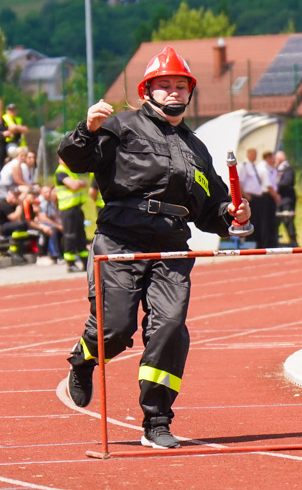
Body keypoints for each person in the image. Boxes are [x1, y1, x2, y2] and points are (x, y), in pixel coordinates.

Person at [58, 46, 250, 450]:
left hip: (171, 247)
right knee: (115, 329)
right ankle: (84, 357)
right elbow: (75, 159)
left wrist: (233, 214)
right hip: (120, 239)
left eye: (181, 86)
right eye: (165, 86)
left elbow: (210, 210)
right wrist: (88, 130)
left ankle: (157, 421)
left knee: (170, 330)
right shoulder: (121, 126)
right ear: (148, 90)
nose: (174, 93)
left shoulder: (196, 148)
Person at [54, 156, 88, 272]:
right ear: (59, 160)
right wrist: (78, 183)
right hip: (68, 209)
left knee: (81, 236)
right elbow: (74, 186)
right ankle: (70, 263)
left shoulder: (70, 171)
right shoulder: (61, 172)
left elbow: (84, 183)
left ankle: (85, 261)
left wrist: (78, 183)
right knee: (70, 236)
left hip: (77, 208)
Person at [275, 150, 298, 247]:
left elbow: (288, 182)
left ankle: (293, 240)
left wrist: (276, 186)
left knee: (288, 219)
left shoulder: (288, 169)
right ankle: (274, 238)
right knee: (276, 219)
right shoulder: (277, 169)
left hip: (287, 198)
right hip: (279, 199)